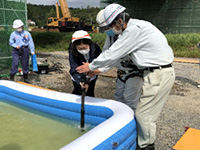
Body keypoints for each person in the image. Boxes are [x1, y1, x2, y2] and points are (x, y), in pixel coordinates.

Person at [76, 3, 175, 150]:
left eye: (108, 27)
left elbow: (114, 53)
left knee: (143, 114)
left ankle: (146, 146)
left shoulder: (134, 30)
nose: (107, 31)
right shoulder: (128, 31)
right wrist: (97, 69)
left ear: (120, 21)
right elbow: (110, 54)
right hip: (152, 72)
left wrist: (91, 66)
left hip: (158, 72)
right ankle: (142, 141)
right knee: (139, 111)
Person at [93, 9, 143, 111]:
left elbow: (115, 55)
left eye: (108, 27)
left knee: (130, 101)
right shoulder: (111, 36)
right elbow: (106, 52)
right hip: (122, 72)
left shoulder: (130, 33)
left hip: (135, 72)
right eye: (104, 28)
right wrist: (96, 67)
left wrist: (94, 67)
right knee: (119, 96)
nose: (107, 30)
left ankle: (131, 123)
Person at [68, 30, 101, 97]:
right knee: (78, 92)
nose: (83, 50)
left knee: (90, 93)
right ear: (75, 47)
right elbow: (73, 67)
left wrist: (93, 72)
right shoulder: (72, 50)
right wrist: (80, 82)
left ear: (89, 44)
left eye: (85, 48)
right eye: (80, 48)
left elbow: (101, 61)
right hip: (78, 75)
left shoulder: (95, 48)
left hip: (92, 74)